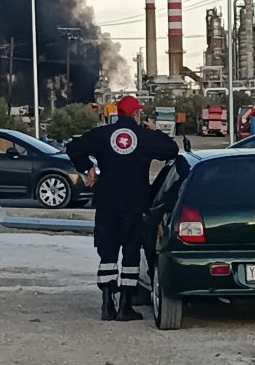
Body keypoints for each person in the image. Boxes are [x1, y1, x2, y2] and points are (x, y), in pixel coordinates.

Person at [66, 95, 180, 322]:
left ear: (117, 113)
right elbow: (171, 150)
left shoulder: (103, 135)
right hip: (134, 204)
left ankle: (107, 304)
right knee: (130, 254)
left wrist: (87, 167)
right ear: (136, 115)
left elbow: (73, 147)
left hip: (107, 203)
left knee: (107, 253)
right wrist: (155, 130)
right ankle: (126, 307)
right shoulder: (144, 136)